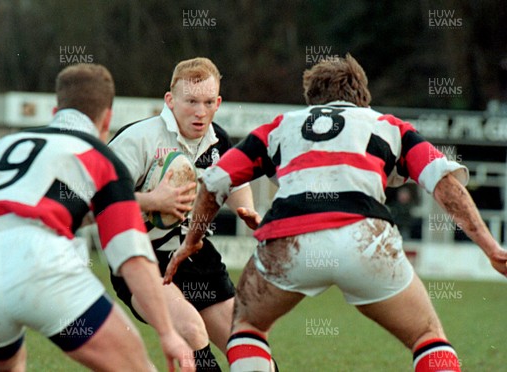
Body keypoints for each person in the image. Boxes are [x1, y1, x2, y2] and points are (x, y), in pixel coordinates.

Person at [164, 54, 507, 371]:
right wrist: (491, 247)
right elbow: (445, 184)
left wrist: (192, 240)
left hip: (289, 239)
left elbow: (214, 183)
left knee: (247, 327)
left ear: (311, 100)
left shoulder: (282, 125)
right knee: (427, 336)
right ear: (362, 97)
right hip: (366, 239)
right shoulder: (389, 125)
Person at [0, 63, 194, 372]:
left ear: (56, 109)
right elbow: (132, 257)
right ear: (107, 117)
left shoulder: (0, 147)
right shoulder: (102, 158)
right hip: (43, 264)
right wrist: (167, 333)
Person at [108, 57, 256, 371]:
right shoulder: (138, 139)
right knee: (189, 329)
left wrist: (248, 211)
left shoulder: (219, 141)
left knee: (246, 342)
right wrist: (153, 200)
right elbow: (101, 201)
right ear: (170, 100)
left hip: (196, 256)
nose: (200, 112)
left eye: (207, 102)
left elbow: (234, 180)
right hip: (141, 257)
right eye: (190, 101)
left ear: (218, 102)